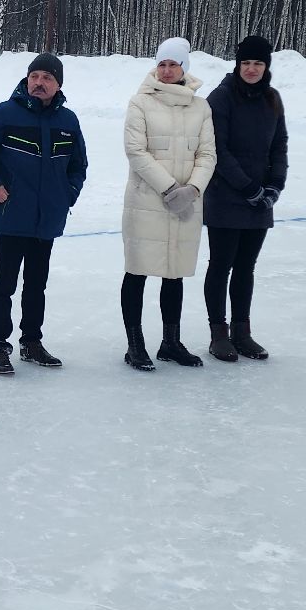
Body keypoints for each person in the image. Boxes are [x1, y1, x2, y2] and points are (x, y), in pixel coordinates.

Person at [0, 53, 88, 375]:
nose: (39, 83)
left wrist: (67, 195)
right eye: (34, 77)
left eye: (47, 78)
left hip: (48, 219)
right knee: (4, 285)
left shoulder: (68, 121)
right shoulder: (6, 114)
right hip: (13, 216)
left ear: (58, 85)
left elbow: (78, 166)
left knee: (36, 285)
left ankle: (31, 342)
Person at [121, 36, 217, 370]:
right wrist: (169, 188)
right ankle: (135, 345)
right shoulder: (140, 102)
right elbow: (136, 151)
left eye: (172, 64)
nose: (165, 70)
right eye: (161, 64)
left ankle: (171, 342)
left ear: (183, 68)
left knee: (174, 274)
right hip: (147, 201)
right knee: (137, 271)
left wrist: (193, 189)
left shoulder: (200, 107)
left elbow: (207, 154)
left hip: (186, 204)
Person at [202, 34, 289, 362]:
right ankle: (218, 334)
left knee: (245, 268)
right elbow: (217, 149)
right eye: (246, 63)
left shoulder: (272, 99)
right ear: (238, 64)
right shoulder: (221, 97)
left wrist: (275, 185)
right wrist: (247, 187)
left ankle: (242, 332)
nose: (251, 69)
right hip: (226, 197)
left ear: (266, 66)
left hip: (260, 201)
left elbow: (279, 145)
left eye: (258, 63)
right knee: (221, 265)